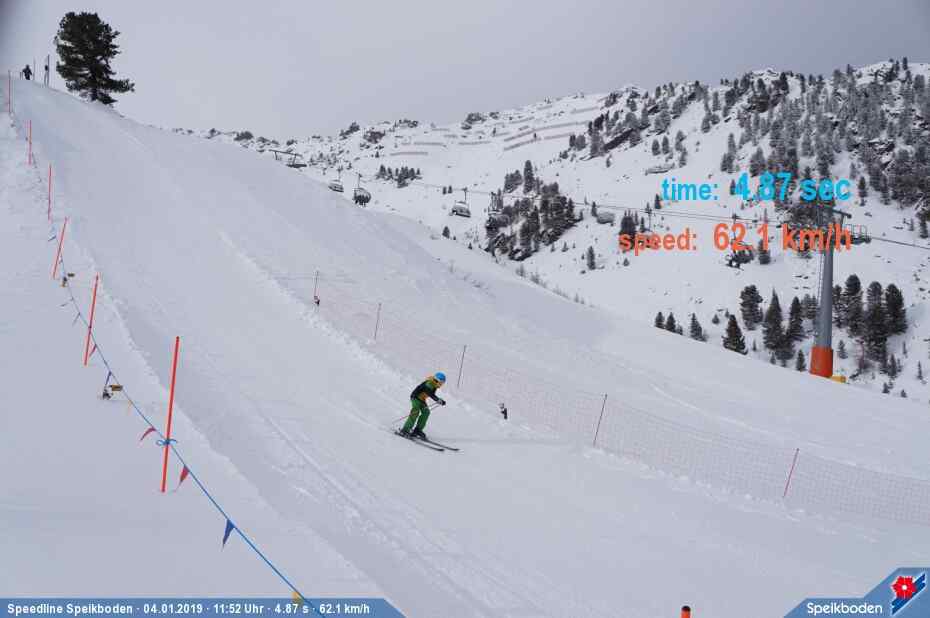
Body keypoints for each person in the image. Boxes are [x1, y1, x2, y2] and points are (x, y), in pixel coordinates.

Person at [400, 372, 446, 439]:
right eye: (441, 382)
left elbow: (431, 394)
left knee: (426, 412)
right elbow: (429, 392)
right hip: (415, 397)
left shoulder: (434, 385)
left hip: (422, 399)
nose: (441, 384)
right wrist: (437, 399)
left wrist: (439, 400)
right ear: (437, 380)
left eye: (442, 383)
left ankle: (417, 430)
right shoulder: (429, 383)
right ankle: (405, 429)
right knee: (415, 411)